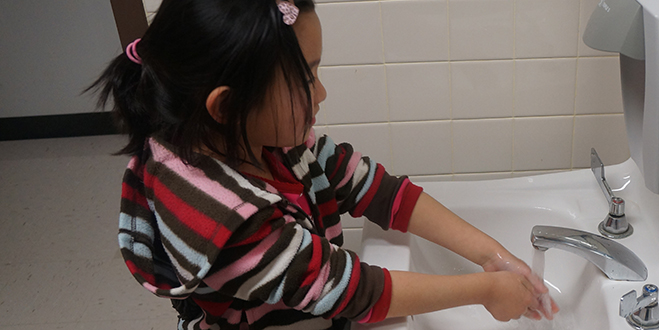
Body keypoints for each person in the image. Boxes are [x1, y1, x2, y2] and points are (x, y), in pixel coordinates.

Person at [89, 0, 558, 329]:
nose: (322, 93)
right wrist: (484, 292)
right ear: (227, 107)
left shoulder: (262, 141)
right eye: (304, 78)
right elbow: (353, 292)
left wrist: (489, 254)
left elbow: (379, 190)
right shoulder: (222, 220)